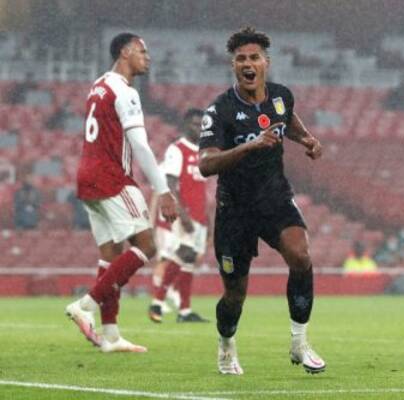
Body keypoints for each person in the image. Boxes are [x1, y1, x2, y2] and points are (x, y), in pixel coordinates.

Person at [199, 27, 325, 375]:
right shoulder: (220, 110)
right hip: (234, 209)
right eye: (241, 59)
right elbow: (205, 164)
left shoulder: (281, 97)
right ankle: (226, 344)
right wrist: (249, 146)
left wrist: (307, 139)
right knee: (235, 295)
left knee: (300, 256)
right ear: (233, 66)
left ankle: (300, 343)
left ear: (266, 63)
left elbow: (288, 121)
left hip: (274, 198)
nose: (247, 64)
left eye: (254, 57)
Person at [65, 32, 178, 353]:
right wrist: (163, 190)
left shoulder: (98, 85)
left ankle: (111, 335)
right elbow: (140, 145)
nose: (148, 57)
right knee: (147, 245)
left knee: (110, 255)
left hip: (87, 176)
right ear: (125, 52)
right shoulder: (125, 91)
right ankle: (85, 305)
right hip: (112, 177)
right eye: (142, 51)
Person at [148, 108, 211, 323]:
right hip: (186, 214)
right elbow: (170, 184)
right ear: (185, 125)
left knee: (190, 260)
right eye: (195, 124)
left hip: (200, 215)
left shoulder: (202, 153)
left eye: (202, 125)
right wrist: (183, 215)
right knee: (183, 253)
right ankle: (157, 303)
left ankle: (185, 311)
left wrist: (207, 219)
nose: (199, 128)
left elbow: (200, 188)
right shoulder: (177, 150)